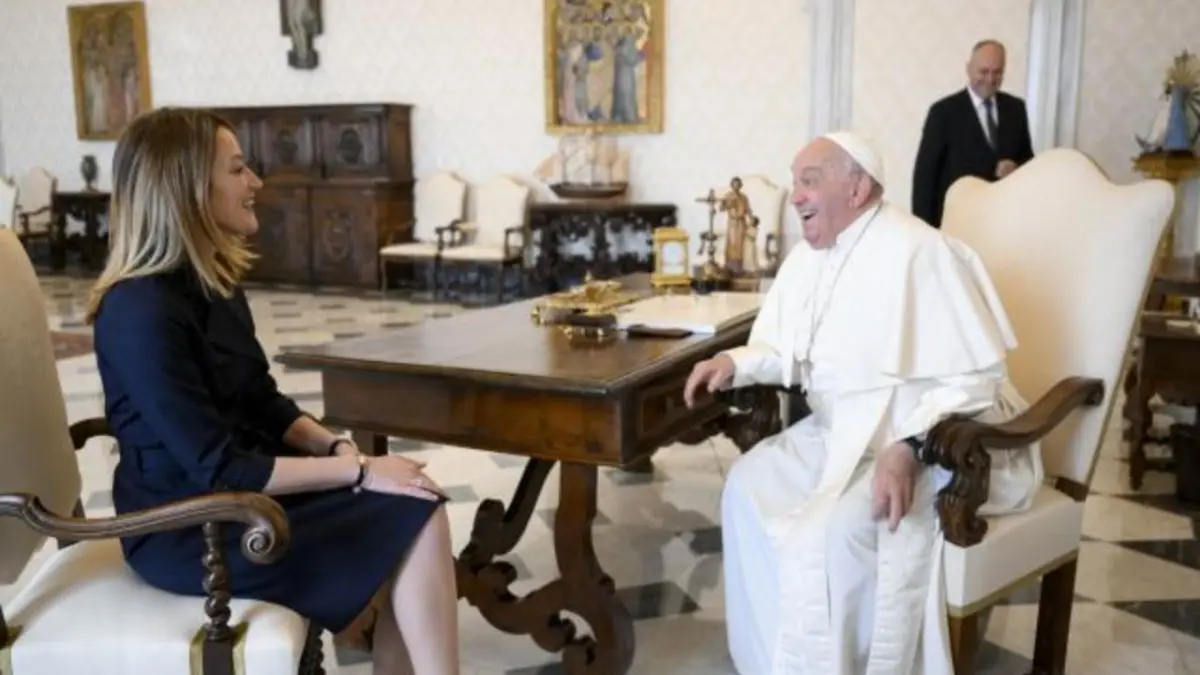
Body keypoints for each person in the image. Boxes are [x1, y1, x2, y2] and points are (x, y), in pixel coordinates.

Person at [84, 107, 460, 675]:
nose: (256, 182)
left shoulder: (212, 280)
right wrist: (358, 472)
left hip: (242, 500)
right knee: (412, 516)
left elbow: (261, 399)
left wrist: (335, 449)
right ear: (187, 187)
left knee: (414, 505)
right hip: (187, 528)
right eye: (238, 170)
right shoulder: (138, 310)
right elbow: (219, 468)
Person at [683, 131, 1043, 675]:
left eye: (810, 180)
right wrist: (738, 362)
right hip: (842, 434)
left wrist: (911, 445)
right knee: (747, 487)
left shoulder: (919, 250)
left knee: (836, 530)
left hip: (935, 440)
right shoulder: (810, 257)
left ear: (856, 188)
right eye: (795, 181)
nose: (795, 195)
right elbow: (788, 345)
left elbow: (975, 381)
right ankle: (774, 663)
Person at [911, 40, 1034, 228]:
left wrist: (1016, 169)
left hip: (1004, 223)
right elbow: (925, 178)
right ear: (968, 69)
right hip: (957, 222)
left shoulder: (1016, 109)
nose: (991, 79)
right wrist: (923, 230)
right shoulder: (943, 112)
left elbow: (1030, 164)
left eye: (998, 72)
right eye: (984, 72)